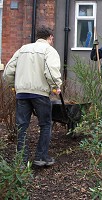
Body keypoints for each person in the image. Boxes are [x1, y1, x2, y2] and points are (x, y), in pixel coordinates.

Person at [3, 26, 62, 167]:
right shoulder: (49, 50)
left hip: (22, 93)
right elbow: (50, 71)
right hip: (40, 93)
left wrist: (14, 86)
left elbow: (7, 72)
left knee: (22, 126)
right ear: (50, 37)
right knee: (45, 124)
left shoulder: (22, 49)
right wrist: (56, 86)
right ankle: (41, 158)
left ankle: (22, 161)